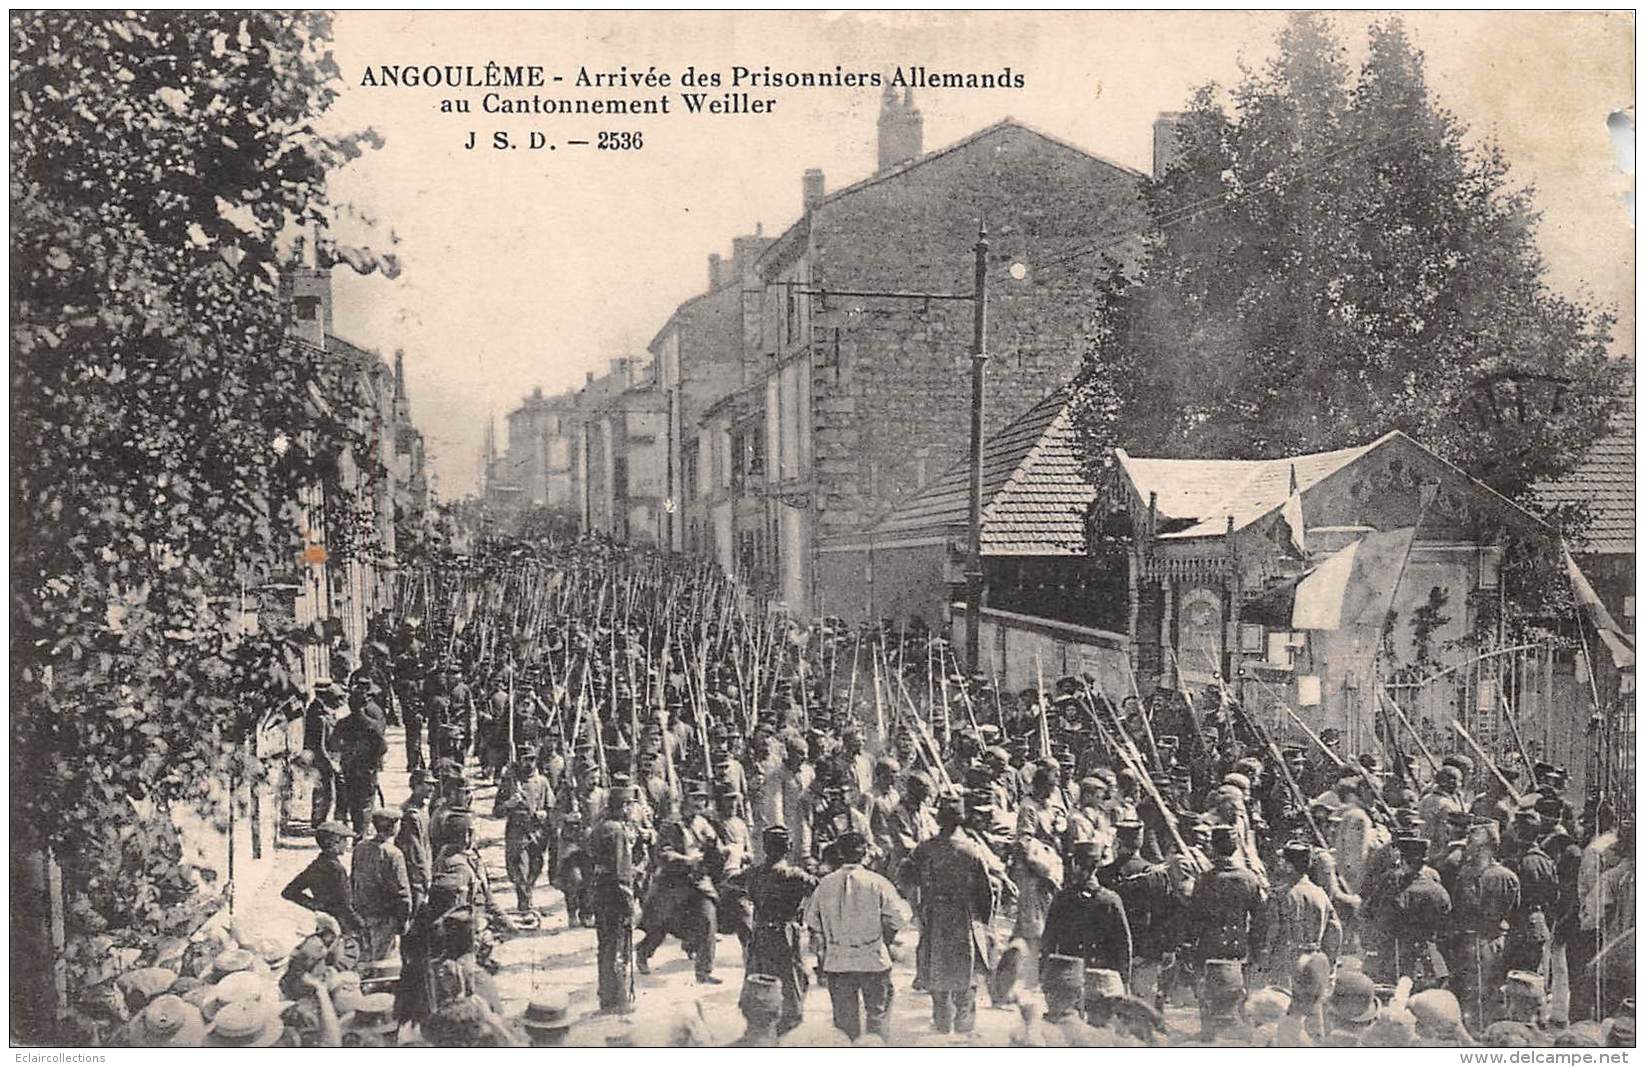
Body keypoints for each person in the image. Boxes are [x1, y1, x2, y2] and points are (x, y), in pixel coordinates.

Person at [804, 829, 910, 1042]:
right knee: (877, 1018)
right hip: (873, 960)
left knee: (844, 1026)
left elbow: (811, 920)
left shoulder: (825, 884)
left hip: (838, 962)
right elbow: (901, 917)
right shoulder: (878, 883)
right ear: (865, 854)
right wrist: (884, 930)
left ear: (840, 853)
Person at [905, 792, 996, 1035]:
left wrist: (920, 903)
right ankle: (964, 1032)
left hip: (934, 917)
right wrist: (984, 923)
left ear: (938, 819)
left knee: (937, 972)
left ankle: (942, 1027)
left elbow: (905, 875)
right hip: (964, 919)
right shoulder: (973, 851)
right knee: (966, 977)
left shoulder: (924, 849)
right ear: (962, 819)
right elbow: (986, 894)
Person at [638, 785, 723, 984]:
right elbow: (663, 854)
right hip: (674, 882)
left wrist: (719, 851)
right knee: (661, 924)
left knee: (708, 919)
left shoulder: (703, 822)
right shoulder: (671, 824)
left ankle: (704, 971)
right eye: (696, 799)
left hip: (699, 881)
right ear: (686, 800)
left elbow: (714, 846)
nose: (700, 803)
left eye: (703, 799)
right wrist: (686, 860)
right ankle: (643, 953)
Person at [744, 825, 818, 1034]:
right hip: (785, 931)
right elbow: (817, 887)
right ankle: (787, 1021)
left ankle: (763, 1023)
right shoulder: (794, 875)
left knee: (760, 974)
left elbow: (732, 883)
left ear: (765, 848)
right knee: (792, 976)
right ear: (789, 847)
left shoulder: (754, 873)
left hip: (760, 931)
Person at [1041, 839, 1133, 986]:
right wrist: (1124, 981)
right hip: (1099, 980)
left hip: (1067, 976)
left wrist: (1044, 972)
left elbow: (1048, 940)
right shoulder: (1110, 900)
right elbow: (1123, 945)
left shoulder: (1063, 898)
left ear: (1076, 865)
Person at [589, 781, 640, 1013]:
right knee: (618, 947)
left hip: (601, 893)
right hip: (615, 896)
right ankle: (618, 999)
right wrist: (631, 906)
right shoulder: (617, 831)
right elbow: (621, 873)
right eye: (629, 805)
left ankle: (606, 995)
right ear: (623, 806)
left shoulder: (601, 826)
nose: (631, 810)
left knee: (606, 946)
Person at [351, 808, 413, 963]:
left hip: (362, 914)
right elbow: (402, 893)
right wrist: (403, 920)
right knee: (383, 962)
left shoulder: (360, 847)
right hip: (384, 918)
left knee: (363, 959)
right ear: (394, 828)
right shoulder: (394, 854)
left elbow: (353, 879)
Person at [496, 747, 553, 914]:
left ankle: (528, 896)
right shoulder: (510, 782)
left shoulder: (542, 782)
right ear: (519, 761)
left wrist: (545, 813)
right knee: (520, 870)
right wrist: (508, 804)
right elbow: (496, 811)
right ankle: (525, 904)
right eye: (526, 760)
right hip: (517, 831)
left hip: (537, 832)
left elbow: (552, 807)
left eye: (532, 759)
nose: (530, 763)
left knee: (536, 867)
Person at [283, 822, 364, 935]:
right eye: (344, 840)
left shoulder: (317, 865)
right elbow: (345, 905)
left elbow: (289, 892)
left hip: (325, 923)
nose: (346, 844)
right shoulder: (337, 869)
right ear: (334, 842)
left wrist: (317, 905)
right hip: (343, 925)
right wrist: (360, 924)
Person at [397, 771, 436, 912]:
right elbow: (415, 851)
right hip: (415, 876)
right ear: (416, 786)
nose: (431, 789)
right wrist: (425, 876)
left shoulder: (421, 809)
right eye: (428, 784)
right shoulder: (410, 814)